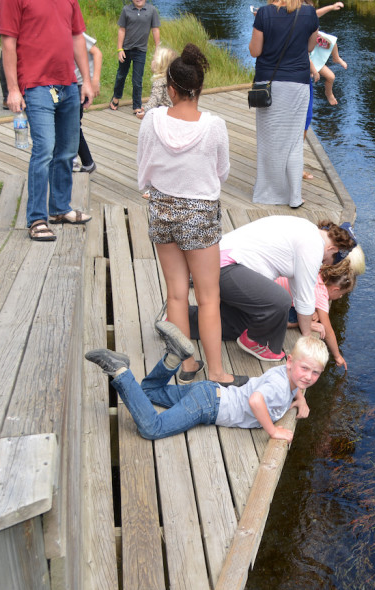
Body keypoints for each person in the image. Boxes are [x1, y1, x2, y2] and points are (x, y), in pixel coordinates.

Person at [136, 44, 245, 387]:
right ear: (199, 89)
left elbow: (144, 167)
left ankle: (186, 364)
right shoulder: (214, 125)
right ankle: (217, 372)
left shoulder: (153, 119)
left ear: (170, 88)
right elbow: (222, 172)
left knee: (176, 293)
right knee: (209, 296)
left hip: (162, 209)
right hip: (199, 214)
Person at [85, 323, 328, 442]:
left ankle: (172, 358)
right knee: (152, 429)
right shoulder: (277, 387)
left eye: (315, 373)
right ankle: (120, 372)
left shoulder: (287, 376)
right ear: (290, 362)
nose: (307, 376)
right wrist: (273, 431)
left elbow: (297, 384)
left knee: (149, 390)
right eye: (304, 368)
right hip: (207, 407)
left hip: (209, 391)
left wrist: (300, 399)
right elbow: (256, 401)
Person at [187, 215, 358, 362]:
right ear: (332, 248)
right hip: (222, 267)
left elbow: (299, 288)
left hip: (215, 265)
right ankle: (258, 342)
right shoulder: (313, 245)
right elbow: (305, 297)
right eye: (326, 260)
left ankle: (180, 320)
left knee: (240, 324)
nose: (323, 263)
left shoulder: (306, 230)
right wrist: (306, 339)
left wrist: (305, 327)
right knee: (280, 300)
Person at [0, 0, 94, 242]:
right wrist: (12, 89)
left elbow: (77, 36)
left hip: (68, 83)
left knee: (67, 150)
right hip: (35, 84)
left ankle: (60, 209)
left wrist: (86, 80)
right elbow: (8, 43)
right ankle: (37, 219)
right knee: (44, 150)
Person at [249, 0, 319, 208]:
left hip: (268, 85)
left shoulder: (264, 14)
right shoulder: (309, 13)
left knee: (268, 140)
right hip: (298, 84)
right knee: (295, 142)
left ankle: (267, 194)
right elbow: (310, 46)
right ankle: (294, 197)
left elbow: (255, 51)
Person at [279, 243, 364, 370]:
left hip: (276, 285)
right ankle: (298, 323)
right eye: (341, 294)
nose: (340, 297)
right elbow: (328, 330)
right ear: (335, 289)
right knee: (297, 318)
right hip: (272, 304)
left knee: (308, 313)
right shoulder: (322, 295)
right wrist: (337, 356)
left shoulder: (319, 272)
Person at [112, 0, 161, 116]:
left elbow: (155, 29)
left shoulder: (151, 10)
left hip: (141, 51)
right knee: (121, 75)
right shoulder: (126, 10)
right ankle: (116, 97)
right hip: (126, 49)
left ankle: (137, 105)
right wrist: (120, 49)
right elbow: (121, 30)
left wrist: (157, 48)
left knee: (137, 80)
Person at [74, 32, 101, 174]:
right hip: (68, 83)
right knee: (69, 124)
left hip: (80, 84)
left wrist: (94, 81)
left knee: (72, 125)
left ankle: (86, 162)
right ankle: (82, 161)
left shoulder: (76, 33)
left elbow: (97, 53)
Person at [137, 45, 178, 120]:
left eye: (154, 60)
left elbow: (155, 99)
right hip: (173, 115)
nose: (152, 62)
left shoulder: (159, 82)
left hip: (162, 117)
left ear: (160, 65)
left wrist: (145, 111)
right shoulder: (173, 80)